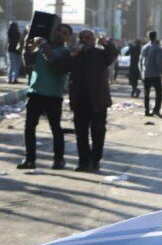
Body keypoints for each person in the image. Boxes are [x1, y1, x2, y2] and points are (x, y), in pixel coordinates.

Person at [17, 24, 72, 170]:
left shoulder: (65, 52)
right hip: (36, 93)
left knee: (55, 128)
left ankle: (59, 160)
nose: (60, 34)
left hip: (53, 95)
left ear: (68, 38)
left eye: (64, 33)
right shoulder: (43, 48)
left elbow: (52, 59)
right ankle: (29, 159)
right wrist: (28, 45)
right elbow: (28, 62)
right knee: (29, 127)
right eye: (58, 30)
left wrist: (43, 44)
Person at [64, 30, 118, 172]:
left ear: (93, 40)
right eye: (81, 37)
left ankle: (95, 160)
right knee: (81, 134)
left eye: (87, 37)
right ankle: (83, 162)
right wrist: (72, 54)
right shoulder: (75, 55)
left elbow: (112, 54)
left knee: (98, 133)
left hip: (98, 101)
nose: (84, 40)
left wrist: (106, 44)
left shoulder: (100, 54)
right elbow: (64, 67)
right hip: (80, 101)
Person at [140, 30, 162, 118]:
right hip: (155, 74)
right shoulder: (157, 48)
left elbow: (140, 61)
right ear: (155, 37)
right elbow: (159, 62)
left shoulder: (144, 47)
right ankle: (156, 110)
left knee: (146, 93)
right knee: (159, 93)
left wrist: (142, 72)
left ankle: (147, 111)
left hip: (145, 74)